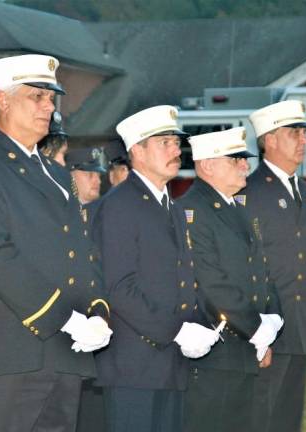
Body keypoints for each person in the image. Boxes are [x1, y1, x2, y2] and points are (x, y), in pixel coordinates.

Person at [0, 54, 112, 432]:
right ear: (3, 100)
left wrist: (98, 311)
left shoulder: (54, 171)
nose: (49, 106)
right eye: (36, 97)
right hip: (10, 356)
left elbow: (81, 251)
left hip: (62, 354)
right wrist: (66, 318)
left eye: (51, 99)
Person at [92, 105, 220, 432]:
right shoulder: (120, 206)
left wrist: (197, 324)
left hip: (169, 361)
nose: (177, 150)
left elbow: (180, 279)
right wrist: (177, 330)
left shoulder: (172, 208)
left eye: (176, 143)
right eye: (165, 142)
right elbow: (120, 288)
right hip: (134, 364)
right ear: (137, 150)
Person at [243, 100, 306, 431]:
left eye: (305, 134)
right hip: (265, 329)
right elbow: (242, 266)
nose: (304, 140)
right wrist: (256, 331)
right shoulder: (249, 192)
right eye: (295, 133)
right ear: (269, 140)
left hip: (299, 328)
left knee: (290, 419)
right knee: (261, 418)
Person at [177, 127, 284, 432]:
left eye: (244, 159)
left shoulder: (237, 208)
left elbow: (260, 272)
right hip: (214, 353)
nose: (246, 166)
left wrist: (272, 318)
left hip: (243, 349)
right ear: (207, 165)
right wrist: (258, 330)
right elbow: (211, 282)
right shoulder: (191, 211)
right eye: (235, 160)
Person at [65, 147, 106, 226]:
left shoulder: (106, 212)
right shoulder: (58, 213)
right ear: (70, 176)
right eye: (90, 174)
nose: (98, 181)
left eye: (99, 175)